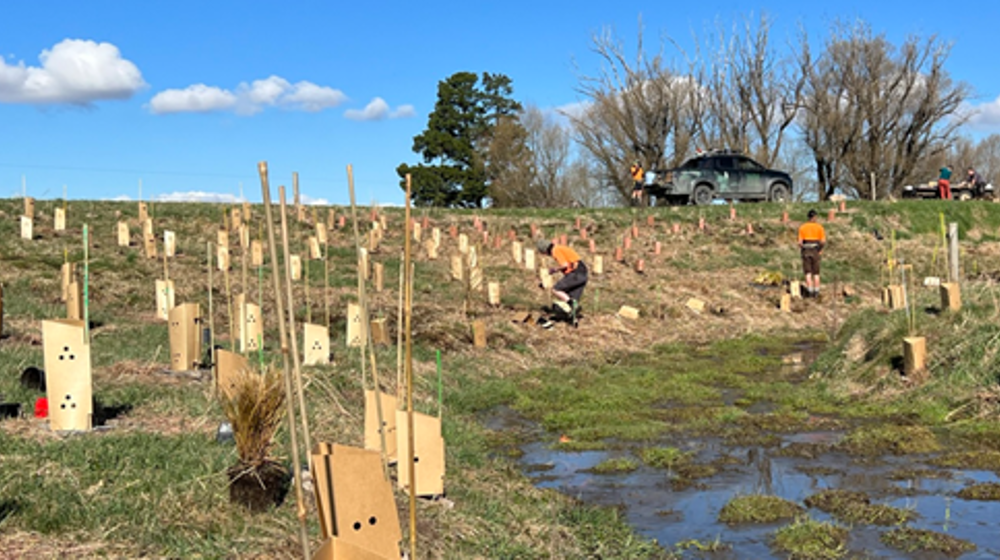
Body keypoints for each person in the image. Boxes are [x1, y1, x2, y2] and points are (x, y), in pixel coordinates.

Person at [537, 239, 588, 328]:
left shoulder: (556, 250)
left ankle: (571, 303)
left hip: (576, 273)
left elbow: (564, 265)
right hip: (583, 273)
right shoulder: (561, 248)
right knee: (573, 301)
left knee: (556, 289)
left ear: (545, 250)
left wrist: (554, 270)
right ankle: (573, 321)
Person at [797, 209, 826, 298]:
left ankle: (809, 291)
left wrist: (803, 249)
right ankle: (816, 292)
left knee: (808, 272)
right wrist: (820, 249)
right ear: (815, 217)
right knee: (816, 273)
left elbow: (800, 242)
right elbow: (823, 241)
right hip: (815, 251)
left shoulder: (802, 227)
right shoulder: (819, 227)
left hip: (806, 251)